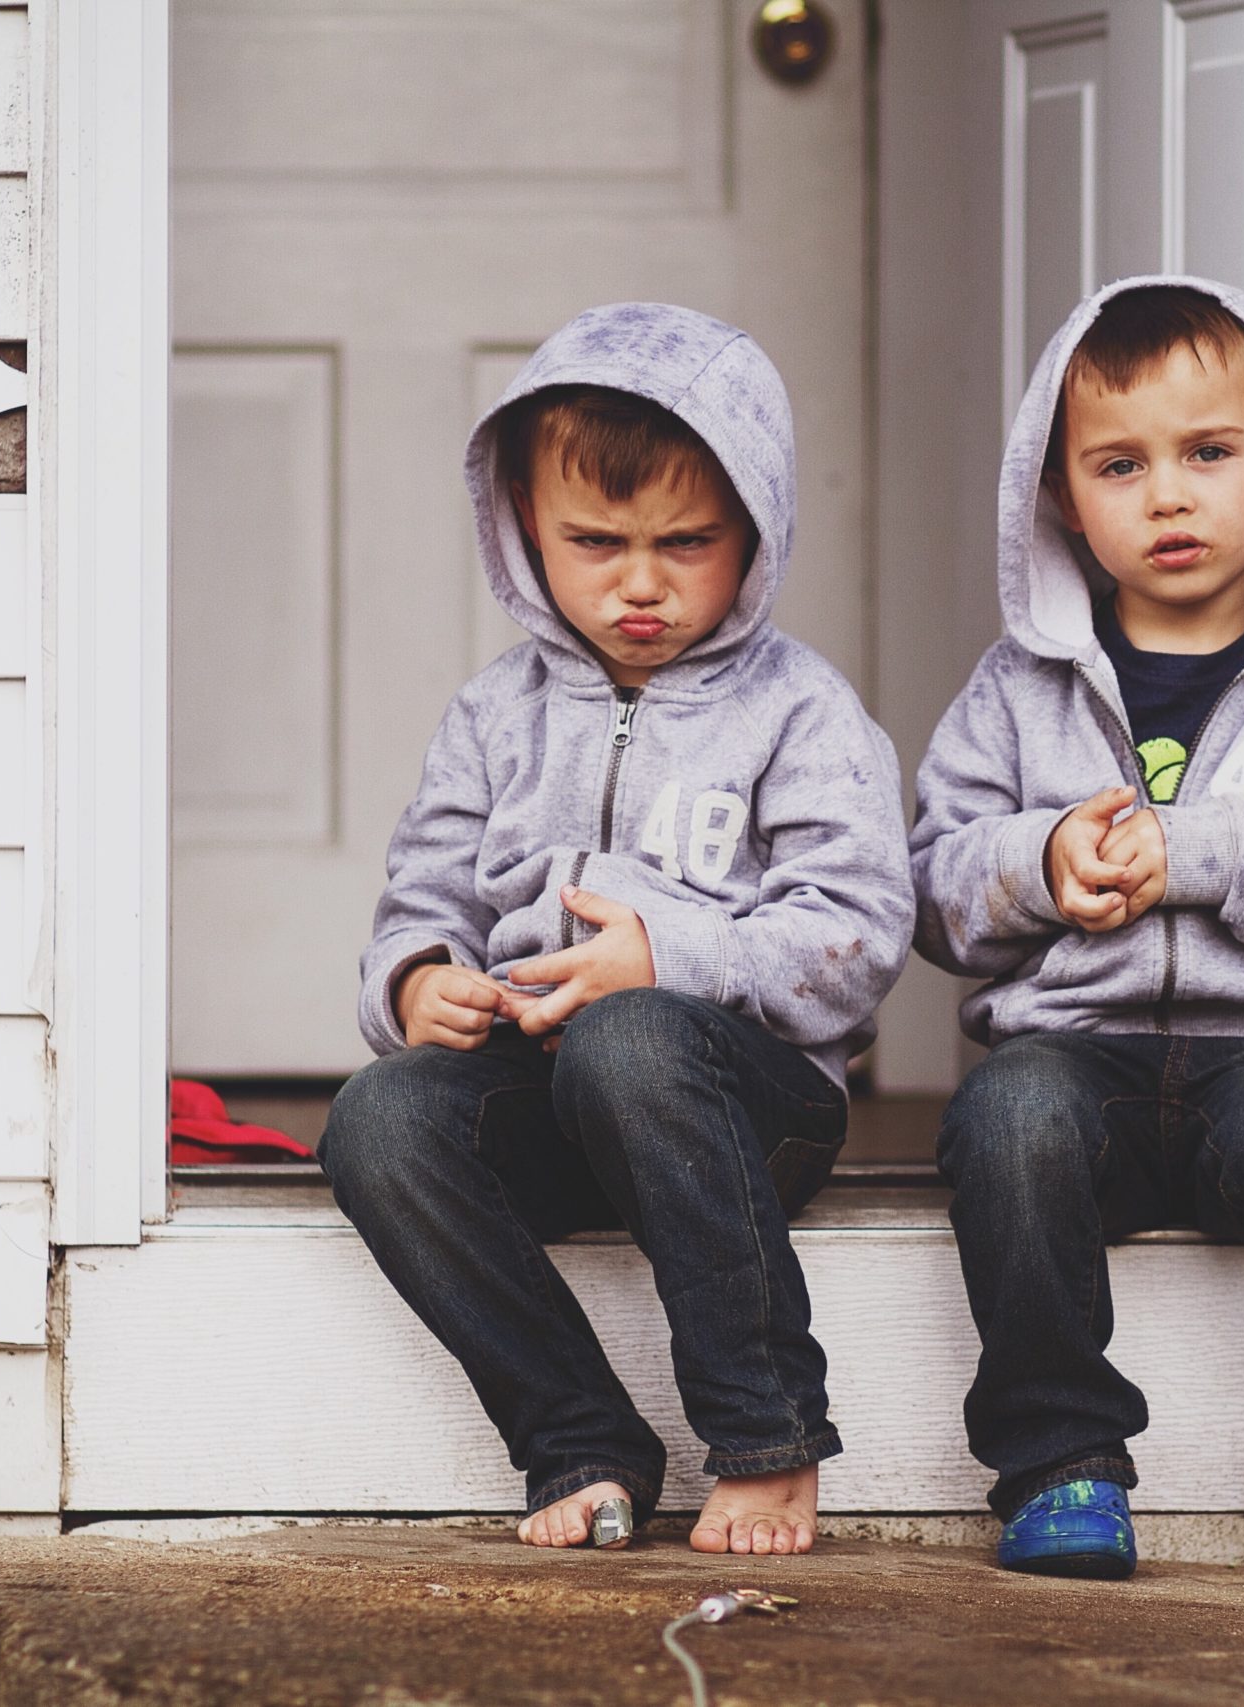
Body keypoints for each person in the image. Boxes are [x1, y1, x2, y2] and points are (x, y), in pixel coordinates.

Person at [319, 302, 913, 1558]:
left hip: (747, 1109)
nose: (640, 583)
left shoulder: (800, 712)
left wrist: (671, 957)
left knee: (633, 1037)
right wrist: (420, 981)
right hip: (554, 1091)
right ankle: (578, 1437)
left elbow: (858, 935)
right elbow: (424, 894)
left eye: (686, 543)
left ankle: (766, 1436)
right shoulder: (495, 717)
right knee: (378, 1117)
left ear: (754, 533)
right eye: (595, 542)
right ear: (524, 528)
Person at [910, 279, 1244, 1591]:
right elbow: (930, 887)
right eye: (1120, 464)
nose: (1168, 494)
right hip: (1074, 1051)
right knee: (1005, 1124)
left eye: (1210, 452)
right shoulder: (1015, 690)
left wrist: (1207, 849)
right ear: (1059, 497)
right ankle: (1061, 1462)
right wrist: (1042, 863)